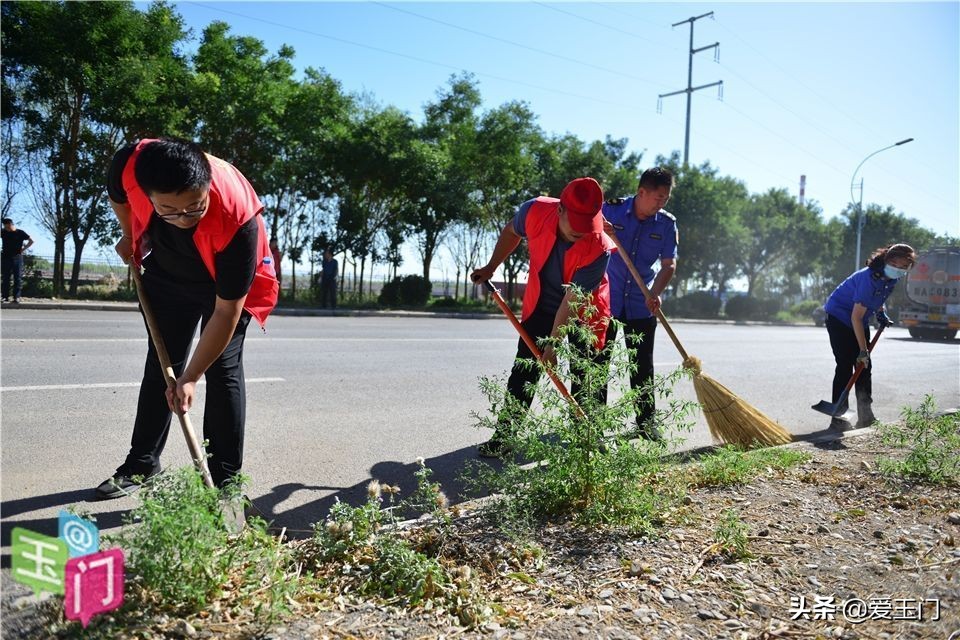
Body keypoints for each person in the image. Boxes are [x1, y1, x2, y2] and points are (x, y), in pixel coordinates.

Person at [95, 138, 279, 499]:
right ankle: (142, 463)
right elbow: (118, 195)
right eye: (168, 209)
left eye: (194, 207)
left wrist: (191, 378)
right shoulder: (129, 165)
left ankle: (225, 481)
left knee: (221, 370)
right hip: (167, 274)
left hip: (223, 281)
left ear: (207, 185)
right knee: (162, 367)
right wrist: (129, 234)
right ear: (148, 194)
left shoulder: (238, 219)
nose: (182, 219)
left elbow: (227, 311)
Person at [470, 177, 614, 457]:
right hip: (542, 303)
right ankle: (504, 437)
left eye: (588, 226)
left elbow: (572, 302)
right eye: (576, 224)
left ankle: (587, 441)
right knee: (524, 369)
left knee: (587, 376)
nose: (582, 232)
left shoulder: (599, 247)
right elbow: (511, 231)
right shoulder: (534, 211)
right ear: (560, 210)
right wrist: (490, 267)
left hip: (585, 311)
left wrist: (553, 345)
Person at [599, 167, 677, 441]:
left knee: (642, 367)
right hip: (606, 303)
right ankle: (592, 427)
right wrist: (600, 229)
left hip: (642, 305)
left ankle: (646, 426)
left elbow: (669, 265)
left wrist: (654, 293)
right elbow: (584, 238)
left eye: (665, 199)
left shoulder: (666, 224)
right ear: (641, 192)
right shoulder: (610, 211)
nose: (661, 203)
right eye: (657, 197)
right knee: (598, 365)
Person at [822, 243, 916, 430]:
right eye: (896, 264)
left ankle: (866, 415)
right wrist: (863, 350)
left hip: (859, 318)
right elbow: (855, 317)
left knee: (864, 367)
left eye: (904, 267)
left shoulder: (890, 278)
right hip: (839, 317)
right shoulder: (868, 278)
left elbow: (878, 297)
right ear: (887, 260)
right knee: (845, 365)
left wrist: (881, 312)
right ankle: (838, 419)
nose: (899, 269)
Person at [1, 218, 34, 303]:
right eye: (5, 227)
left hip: (17, 257)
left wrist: (23, 249)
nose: (7, 229)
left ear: (12, 224)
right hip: (5, 257)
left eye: (8, 227)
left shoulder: (20, 233)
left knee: (17, 277)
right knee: (5, 277)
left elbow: (31, 241)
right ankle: (5, 296)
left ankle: (17, 297)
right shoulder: (3, 232)